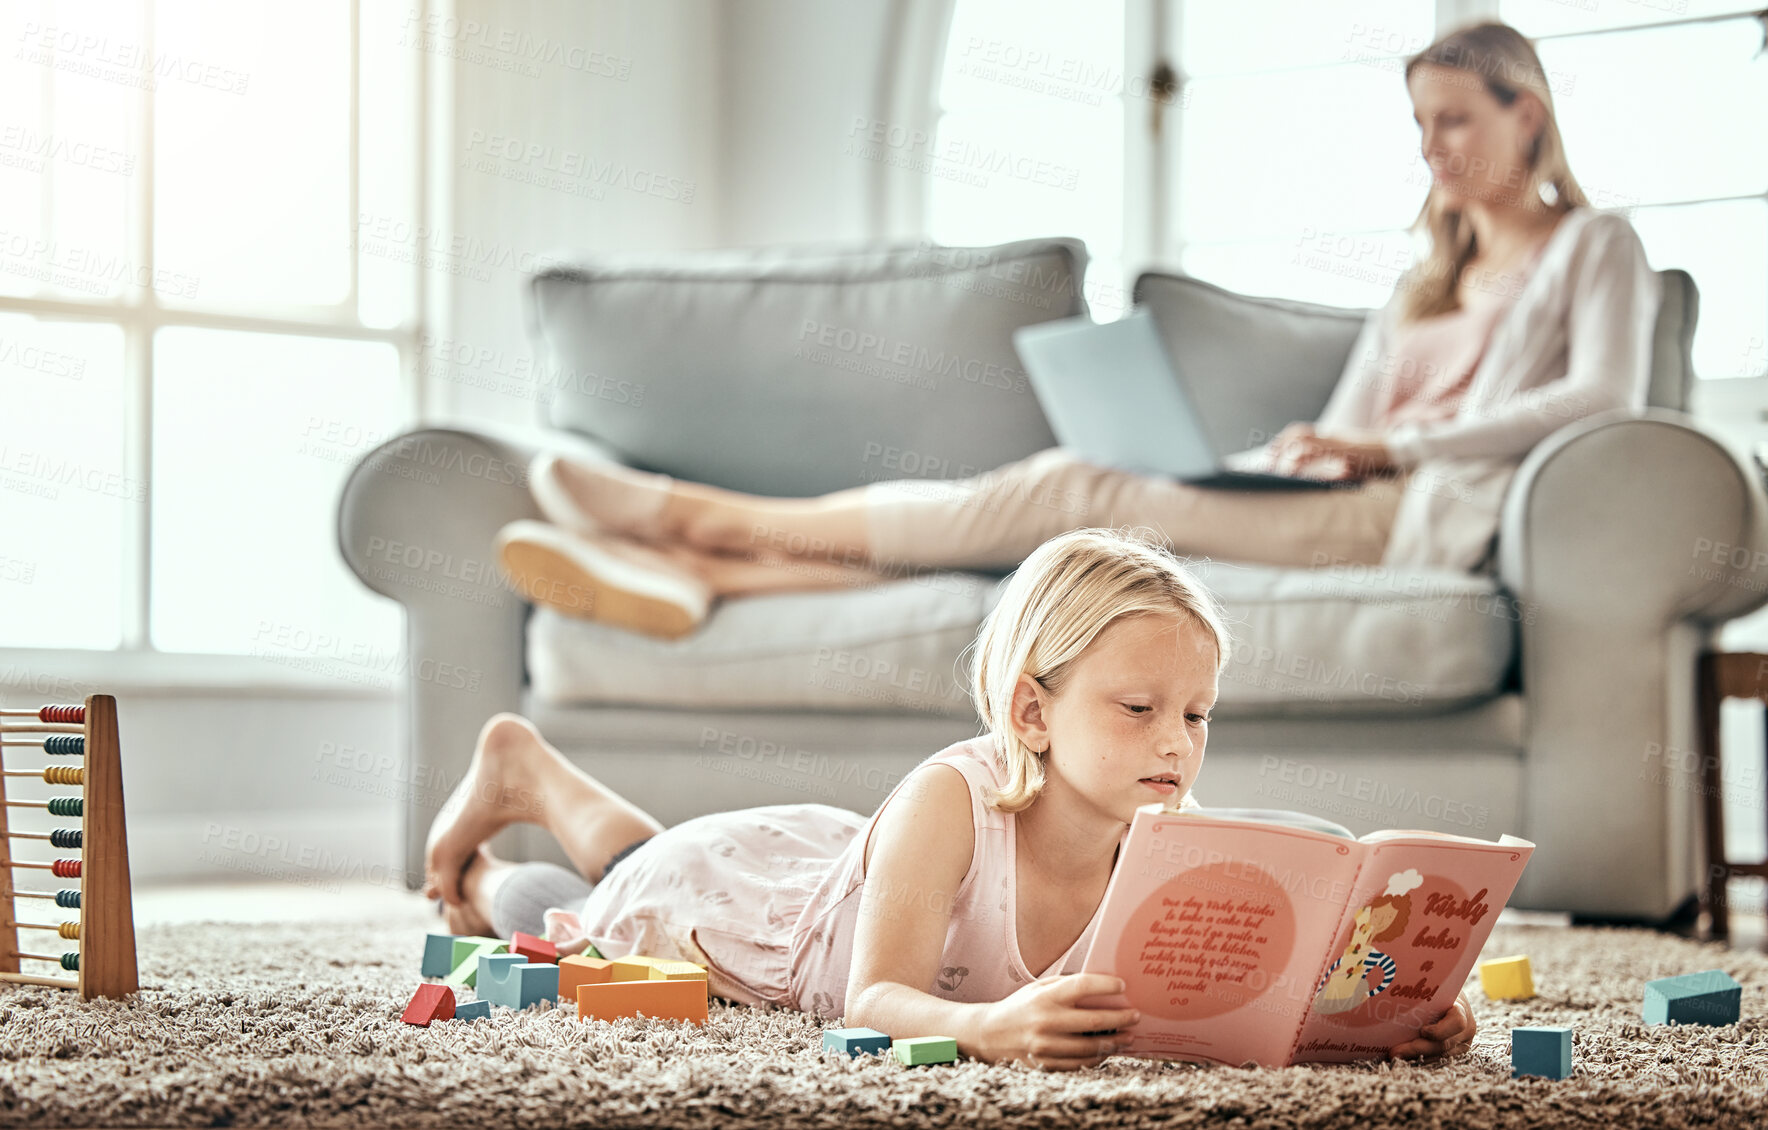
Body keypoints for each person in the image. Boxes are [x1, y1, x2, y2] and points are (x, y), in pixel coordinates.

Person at [490, 19, 1661, 641]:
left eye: (1454, 119)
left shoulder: (1592, 246)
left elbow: (1603, 400)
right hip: (1325, 493)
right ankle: (703, 573)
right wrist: (1312, 447)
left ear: (1528, 113)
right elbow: (1352, 424)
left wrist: (1395, 451)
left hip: (1407, 518)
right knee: (1059, 538)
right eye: (1418, 123)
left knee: (1062, 486)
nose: (1432, 149)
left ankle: (694, 514)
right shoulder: (1423, 278)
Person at [423, 527, 1477, 1069]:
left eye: (1195, 715)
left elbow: (1247, 1003)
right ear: (1030, 711)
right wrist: (987, 1028)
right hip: (738, 910)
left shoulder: (1171, 838)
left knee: (634, 852)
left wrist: (1383, 1010)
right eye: (1139, 707)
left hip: (845, 867)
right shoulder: (948, 798)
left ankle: (534, 771)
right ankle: (490, 841)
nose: (1175, 742)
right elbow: (877, 997)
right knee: (590, 902)